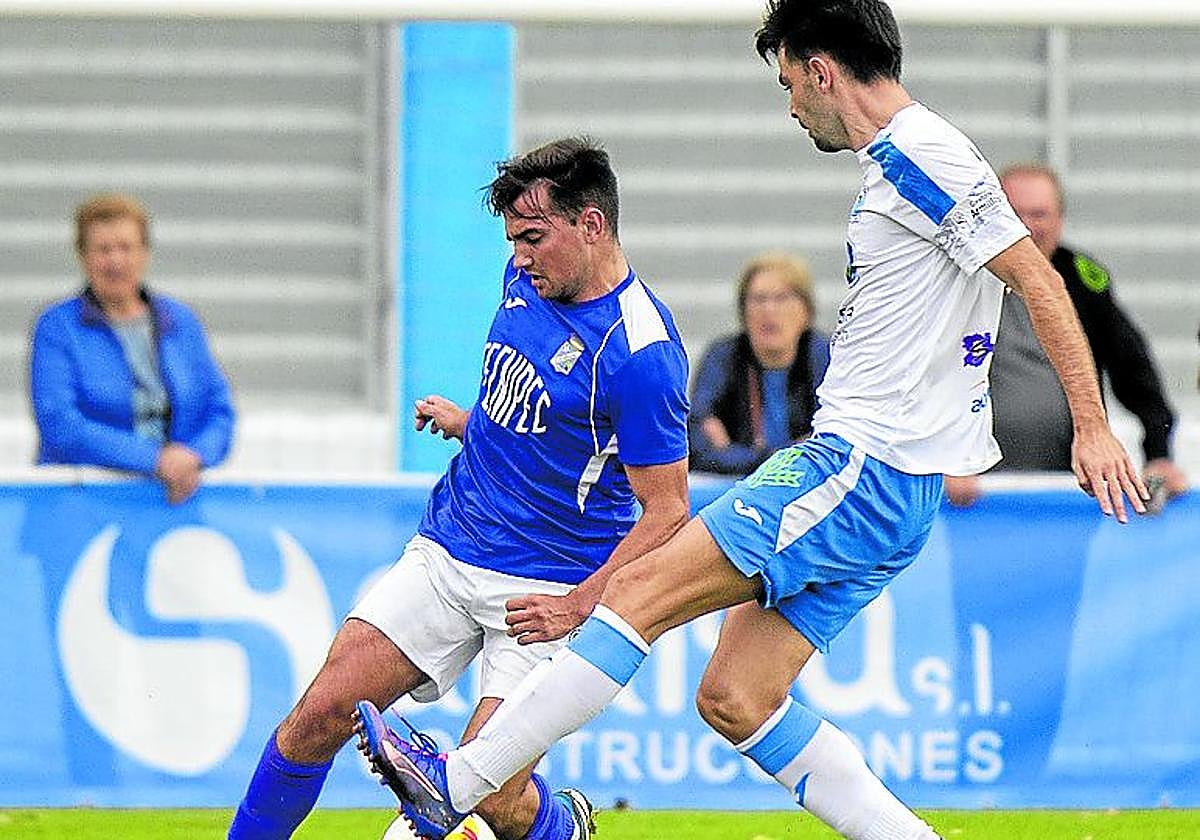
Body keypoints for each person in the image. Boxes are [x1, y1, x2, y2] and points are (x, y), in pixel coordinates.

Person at [358, 3, 1150, 839]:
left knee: (636, 590)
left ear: (821, 70)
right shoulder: (904, 164)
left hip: (858, 466)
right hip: (896, 487)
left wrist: (1092, 427)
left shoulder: (922, 154)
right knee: (737, 696)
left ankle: (459, 781)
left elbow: (1040, 279)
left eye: (787, 84)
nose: (790, 108)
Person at [228, 137, 691, 840]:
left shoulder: (644, 354)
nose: (521, 254)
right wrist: (474, 422)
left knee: (487, 799)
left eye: (534, 237)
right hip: (451, 547)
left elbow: (668, 512)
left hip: (544, 590)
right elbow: (547, 414)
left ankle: (560, 826)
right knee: (315, 719)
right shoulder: (523, 278)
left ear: (591, 225)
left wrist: (576, 608)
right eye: (513, 239)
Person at [943, 164, 1186, 509]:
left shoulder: (1083, 279)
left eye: (1039, 214)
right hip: (969, 493)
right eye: (1014, 214)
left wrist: (1159, 454)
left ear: (1060, 220)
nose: (1026, 226)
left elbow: (1133, 368)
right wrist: (941, 460)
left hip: (1065, 490)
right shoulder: (956, 278)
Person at [29, 193, 234, 505]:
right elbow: (61, 426)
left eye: (126, 247)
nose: (115, 261)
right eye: (103, 249)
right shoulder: (57, 328)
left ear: (145, 253)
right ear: (82, 257)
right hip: (79, 510)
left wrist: (195, 455)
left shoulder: (181, 321)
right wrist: (155, 459)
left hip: (170, 506)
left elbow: (218, 410)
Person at [689, 252, 831, 475]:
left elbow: (834, 446)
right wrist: (788, 453)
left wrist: (733, 453)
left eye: (781, 298)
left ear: (806, 311)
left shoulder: (824, 355)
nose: (769, 310)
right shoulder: (724, 355)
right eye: (758, 299)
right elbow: (699, 447)